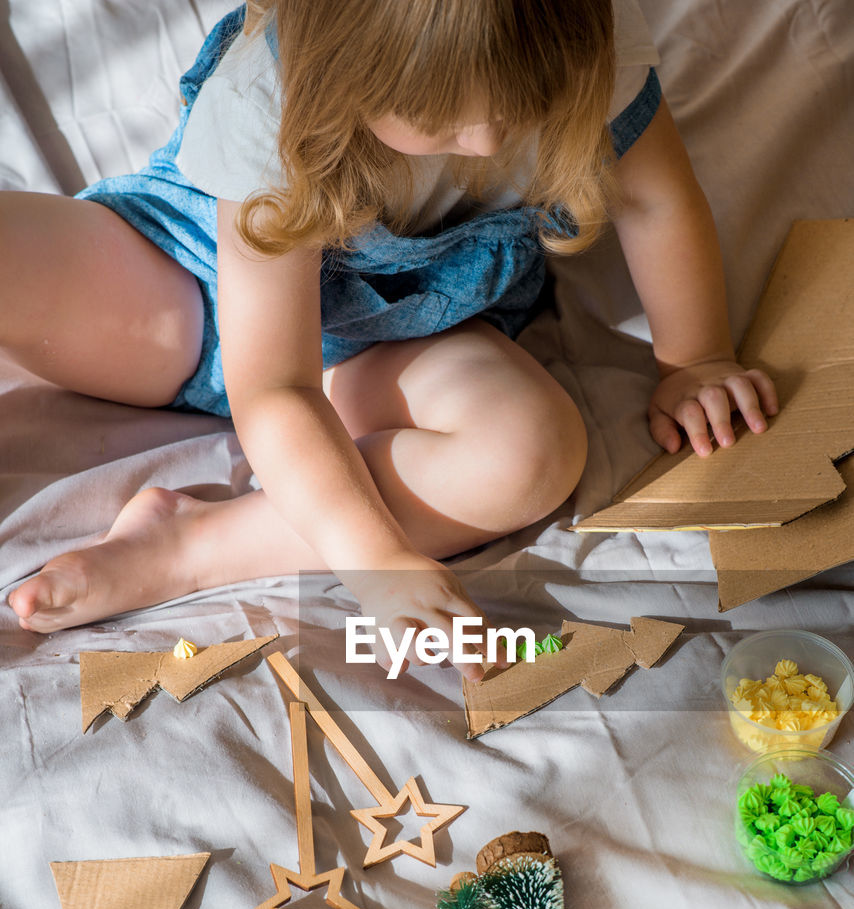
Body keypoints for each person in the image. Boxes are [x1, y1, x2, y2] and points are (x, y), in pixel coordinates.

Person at [2, 0, 776, 675]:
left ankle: (190, 544)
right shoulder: (263, 100)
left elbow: (654, 203)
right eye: (440, 119)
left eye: (520, 110)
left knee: (532, 451)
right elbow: (272, 384)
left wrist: (696, 355)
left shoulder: (584, 38)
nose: (483, 140)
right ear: (338, 65)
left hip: (400, 341)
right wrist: (372, 559)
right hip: (183, 277)